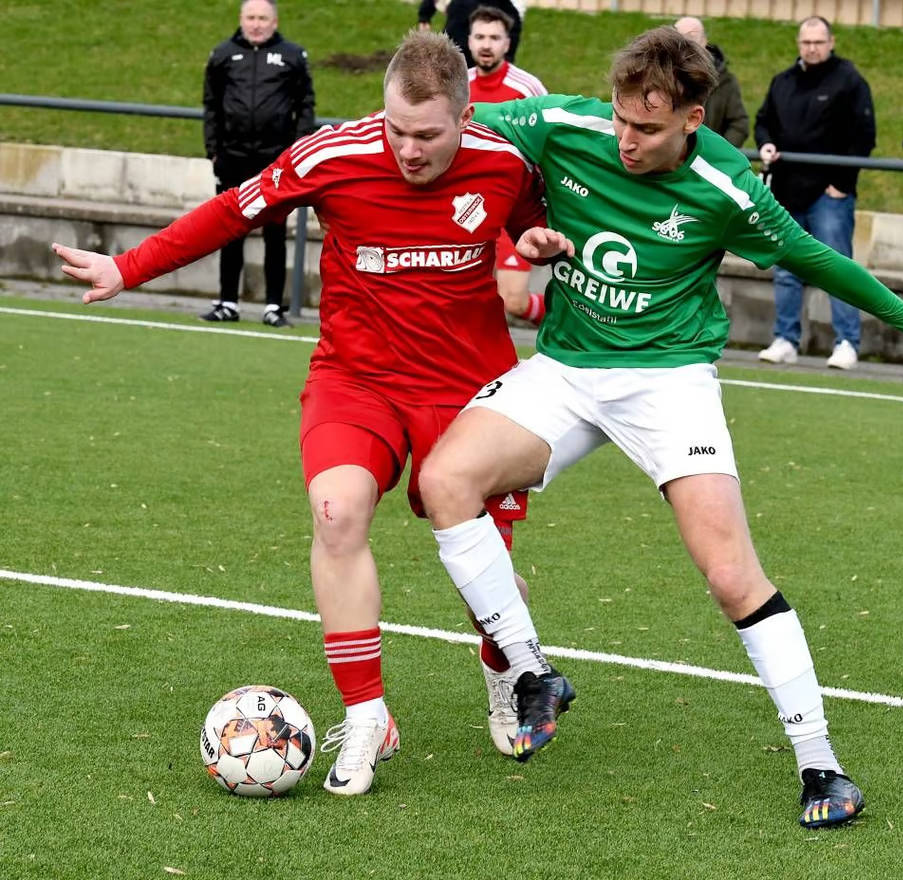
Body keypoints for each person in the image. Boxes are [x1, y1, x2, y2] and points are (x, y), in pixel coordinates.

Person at [416, 27, 903, 828]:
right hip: (568, 370)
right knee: (444, 481)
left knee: (730, 575)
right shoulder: (563, 125)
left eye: (646, 128)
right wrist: (510, 235)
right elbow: (457, 142)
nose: (626, 141)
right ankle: (533, 673)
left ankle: (821, 765)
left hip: (669, 380)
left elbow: (818, 260)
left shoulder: (726, 181)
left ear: (691, 116)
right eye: (620, 121)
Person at [51, 32, 570, 796]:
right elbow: (233, 212)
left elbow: (532, 217)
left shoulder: (503, 159)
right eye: (397, 129)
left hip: (469, 394)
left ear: (465, 117)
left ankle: (503, 673)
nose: (409, 150)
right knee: (336, 513)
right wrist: (129, 266)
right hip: (356, 379)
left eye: (428, 135)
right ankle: (366, 716)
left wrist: (531, 240)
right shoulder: (332, 155)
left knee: (488, 580)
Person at [754, 16, 875, 370]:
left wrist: (842, 183)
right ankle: (786, 338)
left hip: (829, 194)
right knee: (786, 270)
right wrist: (766, 143)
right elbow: (763, 120)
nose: (812, 48)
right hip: (787, 193)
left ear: (831, 41)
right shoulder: (783, 81)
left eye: (818, 42)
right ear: (798, 43)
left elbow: (864, 135)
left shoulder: (849, 80)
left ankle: (847, 342)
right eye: (806, 42)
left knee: (837, 267)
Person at [202, 0, 316, 327]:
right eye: (251, 17)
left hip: (275, 162)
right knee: (229, 230)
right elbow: (211, 106)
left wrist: (296, 152)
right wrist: (213, 150)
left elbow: (305, 106)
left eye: (262, 18)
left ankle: (273, 307)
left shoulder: (293, 56)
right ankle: (227, 302)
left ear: (275, 21)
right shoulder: (222, 55)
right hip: (233, 157)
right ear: (241, 19)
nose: (256, 24)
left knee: (275, 232)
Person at [468, 5, 549, 325]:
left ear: (507, 43)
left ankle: (575, 323)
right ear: (469, 40)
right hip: (463, 207)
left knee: (513, 301)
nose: (486, 44)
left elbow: (550, 141)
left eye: (494, 37)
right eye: (479, 37)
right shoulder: (456, 84)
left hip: (511, 211)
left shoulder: (527, 88)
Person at [673, 16, 748, 147]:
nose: (686, 44)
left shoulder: (726, 82)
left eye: (692, 37)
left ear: (705, 42)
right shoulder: (660, 77)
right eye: (678, 38)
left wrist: (719, 151)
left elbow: (739, 124)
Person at [417, 0, 524, 67]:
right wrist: (424, 16)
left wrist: (509, 55)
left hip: (477, 50)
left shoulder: (500, 3)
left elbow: (514, 24)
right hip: (451, 43)